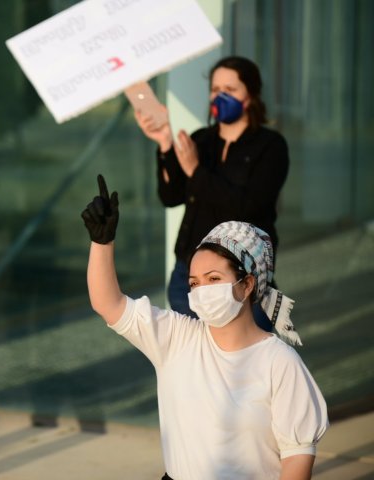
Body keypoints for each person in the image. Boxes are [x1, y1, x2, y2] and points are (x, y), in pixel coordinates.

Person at [82, 175, 328, 479]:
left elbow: (296, 461)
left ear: (247, 284)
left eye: (213, 279)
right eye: (194, 283)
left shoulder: (281, 363)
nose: (201, 291)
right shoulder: (175, 338)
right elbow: (108, 303)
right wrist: (101, 242)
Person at [134, 56, 289, 327]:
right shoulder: (201, 140)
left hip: (243, 278)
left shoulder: (271, 146)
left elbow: (247, 207)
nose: (220, 97)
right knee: (196, 361)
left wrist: (196, 171)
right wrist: (165, 144)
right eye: (216, 90)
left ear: (250, 96)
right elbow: (171, 196)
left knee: (244, 363)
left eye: (230, 90)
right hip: (190, 277)